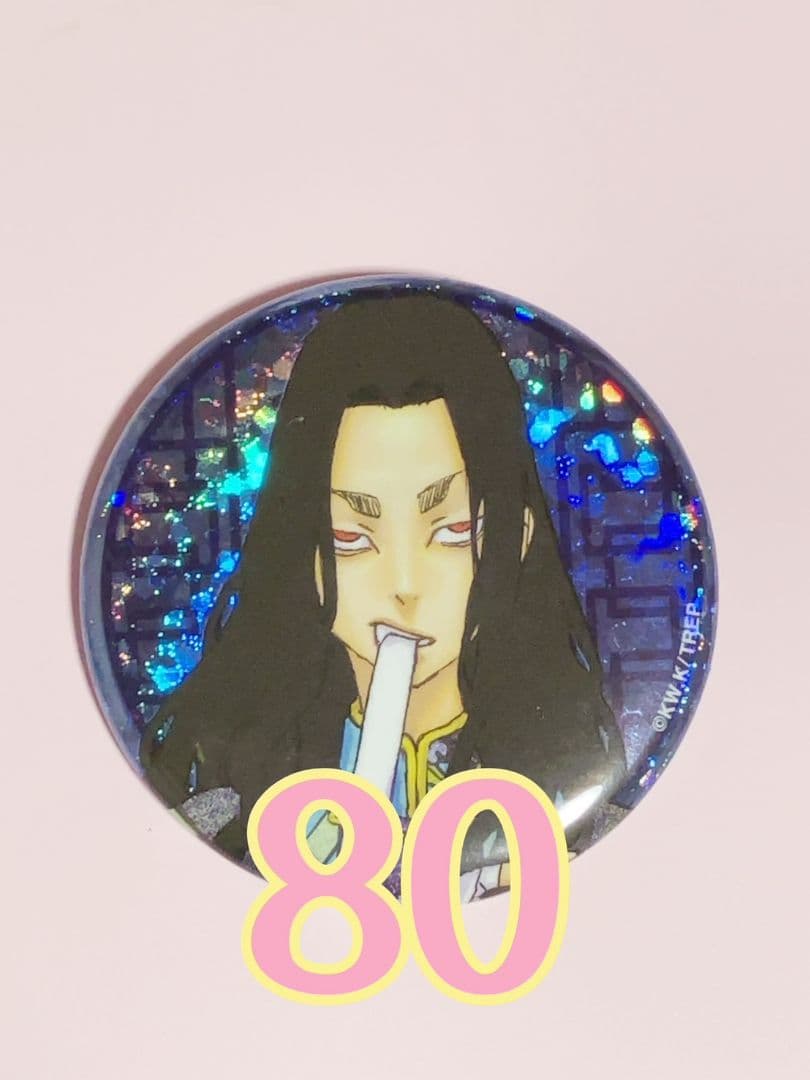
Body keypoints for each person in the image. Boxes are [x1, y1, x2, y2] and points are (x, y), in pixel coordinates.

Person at [140, 292, 626, 888]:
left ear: (517, 535)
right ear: (304, 550)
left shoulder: (572, 814)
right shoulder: (231, 812)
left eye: (452, 532)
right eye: (351, 537)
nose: (404, 585)